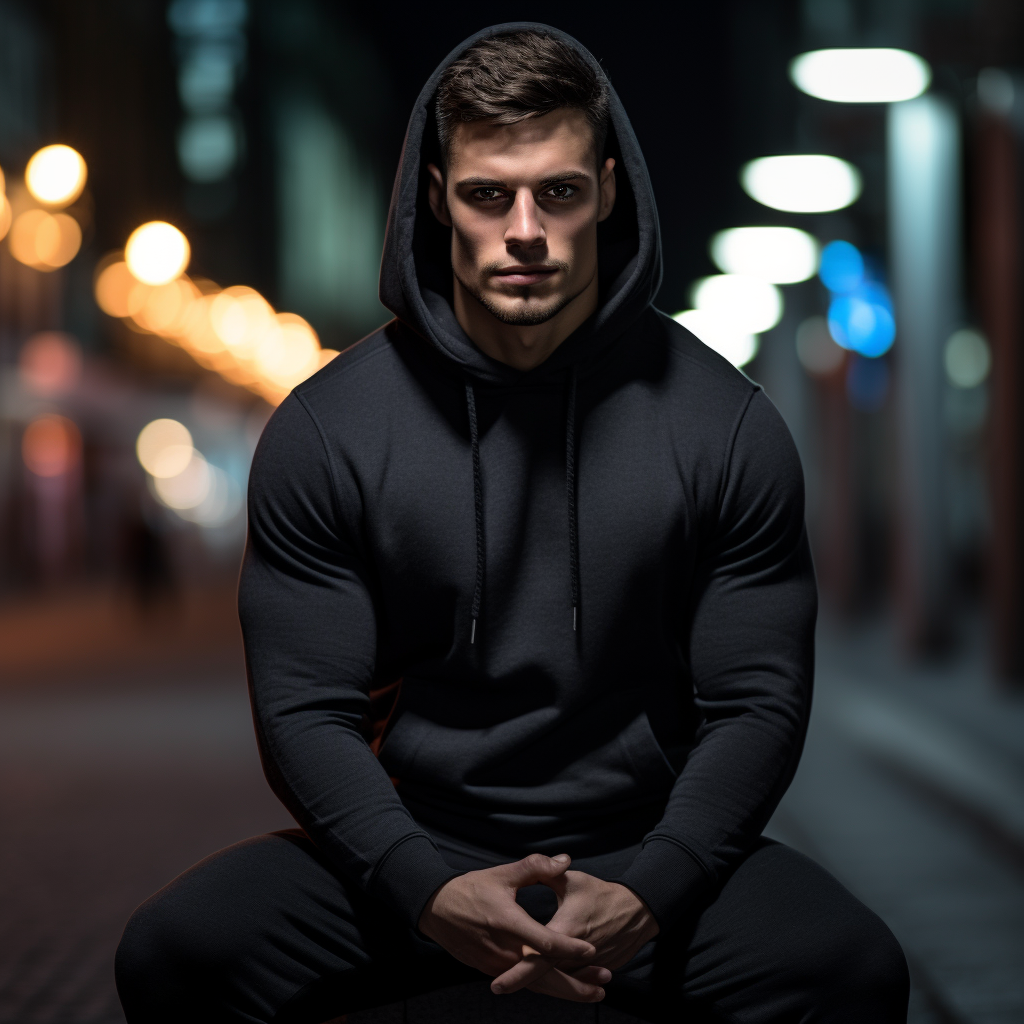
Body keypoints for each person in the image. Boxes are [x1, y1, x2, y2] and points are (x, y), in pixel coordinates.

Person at [115, 24, 910, 1023]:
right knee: (180, 951)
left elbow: (756, 702)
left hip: (641, 841)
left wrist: (650, 892)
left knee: (849, 967)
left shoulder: (723, 424)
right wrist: (423, 888)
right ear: (438, 193)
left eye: (559, 192)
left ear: (608, 190)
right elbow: (303, 711)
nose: (524, 231)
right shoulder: (329, 428)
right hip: (416, 840)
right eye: (490, 194)